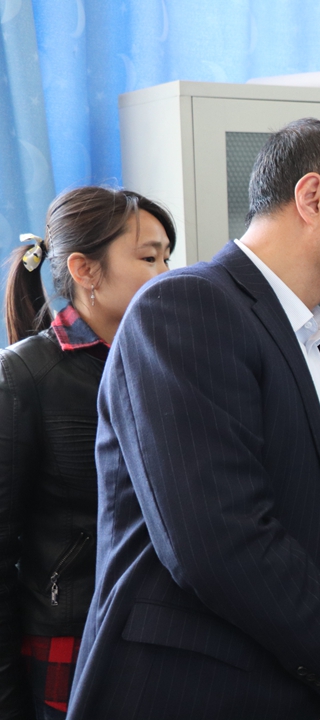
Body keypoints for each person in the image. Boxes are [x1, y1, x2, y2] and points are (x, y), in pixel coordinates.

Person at [68, 119, 320, 720]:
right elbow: (219, 540)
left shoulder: (318, 352)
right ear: (312, 197)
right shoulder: (188, 306)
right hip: (194, 692)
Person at [0, 187, 174, 720]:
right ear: (85, 270)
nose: (167, 274)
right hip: (70, 641)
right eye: (149, 258)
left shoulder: (168, 364)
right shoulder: (24, 376)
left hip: (167, 634)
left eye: (168, 258)